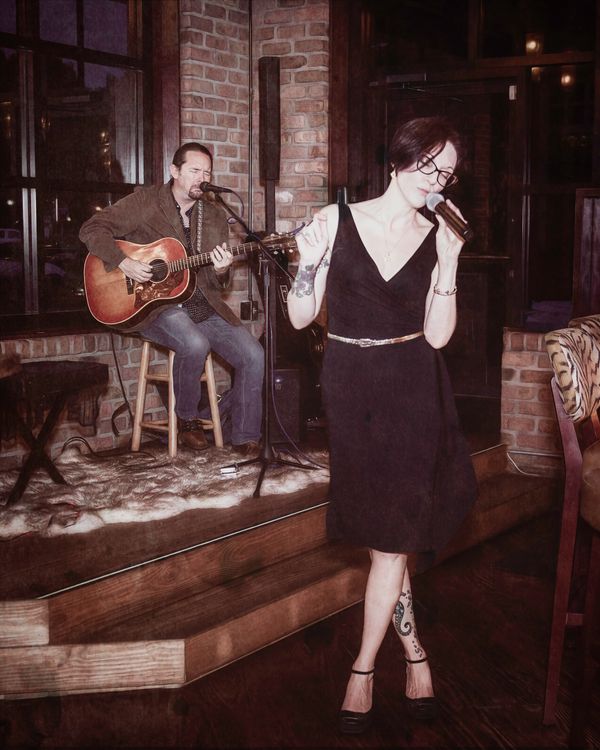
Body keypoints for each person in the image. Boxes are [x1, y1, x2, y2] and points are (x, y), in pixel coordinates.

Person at [287, 117, 477, 734]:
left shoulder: (436, 236)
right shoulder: (338, 220)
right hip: (350, 389)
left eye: (447, 173)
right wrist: (307, 264)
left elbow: (439, 336)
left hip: (413, 389)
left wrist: (449, 262)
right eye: (429, 164)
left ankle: (363, 667)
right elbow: (299, 317)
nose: (436, 180)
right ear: (400, 159)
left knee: (393, 542)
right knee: (383, 540)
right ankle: (415, 648)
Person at [80, 143, 264, 455]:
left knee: (254, 355)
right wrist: (123, 262)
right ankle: (188, 419)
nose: (202, 178)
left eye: (207, 173)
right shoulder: (146, 202)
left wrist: (222, 270)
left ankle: (245, 436)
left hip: (200, 303)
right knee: (194, 343)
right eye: (195, 170)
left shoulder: (215, 216)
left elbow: (217, 283)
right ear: (174, 171)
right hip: (152, 305)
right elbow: (92, 228)